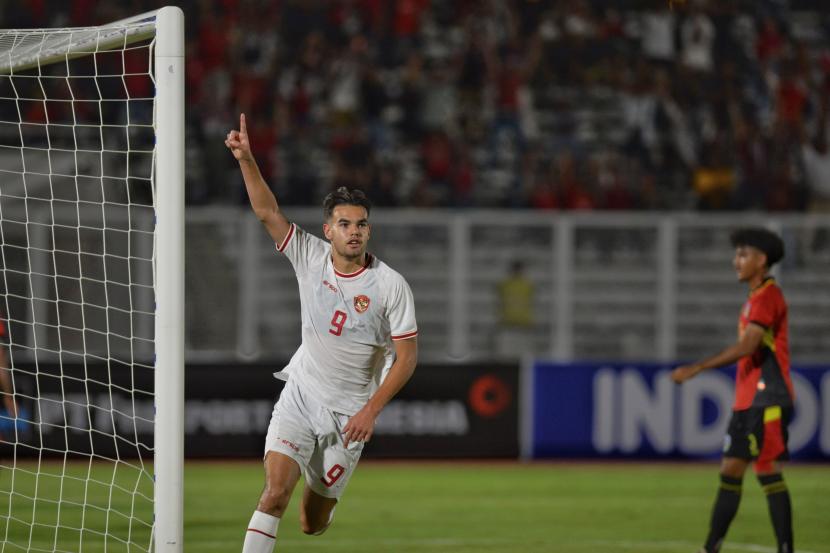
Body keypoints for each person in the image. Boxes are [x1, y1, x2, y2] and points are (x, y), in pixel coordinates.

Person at [225, 113, 418, 552]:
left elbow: (406, 358)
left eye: (362, 224)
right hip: (302, 393)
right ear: (328, 229)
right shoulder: (309, 255)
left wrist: (370, 412)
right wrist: (246, 159)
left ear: (370, 230)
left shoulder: (390, 285)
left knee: (312, 523)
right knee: (273, 494)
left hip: (349, 417)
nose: (354, 232)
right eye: (345, 224)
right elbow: (266, 211)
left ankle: (323, 499)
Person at [671, 228, 793, 553]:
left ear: (761, 260)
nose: (735, 261)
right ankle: (710, 548)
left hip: (767, 399)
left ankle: (785, 549)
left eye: (742, 254)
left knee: (767, 471)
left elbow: (748, 346)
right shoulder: (754, 297)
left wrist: (697, 368)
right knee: (730, 471)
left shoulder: (768, 296)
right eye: (736, 254)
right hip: (749, 400)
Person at [495, 260, 535, 359]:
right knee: (505, 355)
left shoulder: (528, 285)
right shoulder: (504, 285)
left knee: (524, 356)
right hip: (507, 324)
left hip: (524, 324)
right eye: (515, 269)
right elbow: (499, 302)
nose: (517, 272)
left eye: (518, 269)